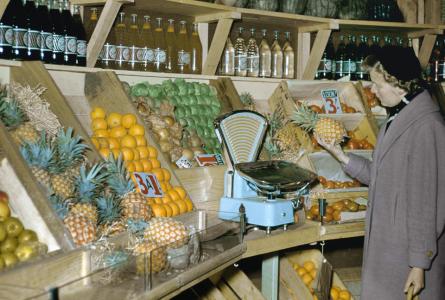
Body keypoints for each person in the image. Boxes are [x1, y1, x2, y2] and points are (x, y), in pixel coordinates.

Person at [317, 46, 445, 299]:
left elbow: (426, 203)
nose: (372, 92)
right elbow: (382, 176)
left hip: (407, 258)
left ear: (399, 84)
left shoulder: (427, 128)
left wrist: (419, 264)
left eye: (377, 85)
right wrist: (340, 154)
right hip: (390, 248)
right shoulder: (398, 119)